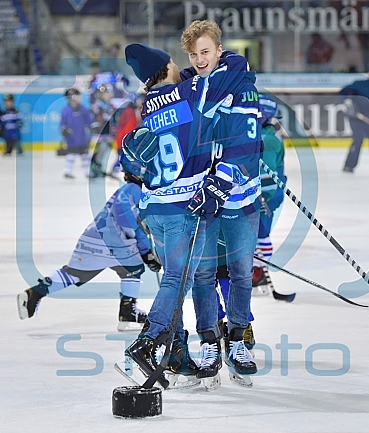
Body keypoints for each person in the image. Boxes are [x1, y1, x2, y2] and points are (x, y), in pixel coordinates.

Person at [121, 42, 251, 385]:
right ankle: (148, 341)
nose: (184, 65)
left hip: (153, 208)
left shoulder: (148, 105)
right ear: (166, 67)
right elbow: (234, 70)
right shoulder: (193, 90)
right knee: (178, 280)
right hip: (182, 207)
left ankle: (178, 355)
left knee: (171, 277)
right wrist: (224, 57)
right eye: (177, 62)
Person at [180, 20, 262, 382]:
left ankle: (238, 337)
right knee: (203, 272)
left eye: (205, 52)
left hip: (241, 198)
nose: (200, 59)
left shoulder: (241, 85)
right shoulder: (192, 88)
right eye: (194, 54)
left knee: (242, 272)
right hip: (203, 195)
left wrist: (222, 181)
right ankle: (209, 338)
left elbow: (244, 144)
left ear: (219, 49)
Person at [17, 154, 161, 331]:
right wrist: (146, 252)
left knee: (75, 274)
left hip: (92, 238)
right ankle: (127, 312)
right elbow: (128, 222)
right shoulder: (134, 191)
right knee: (134, 268)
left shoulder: (126, 189)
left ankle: (36, 292)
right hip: (113, 242)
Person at [252, 93, 285, 290]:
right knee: (256, 233)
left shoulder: (268, 138)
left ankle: (263, 272)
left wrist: (263, 197)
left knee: (261, 233)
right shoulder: (264, 134)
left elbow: (268, 176)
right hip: (265, 193)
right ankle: (259, 271)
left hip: (267, 195)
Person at [60, 88, 95, 178]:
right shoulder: (66, 110)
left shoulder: (82, 109)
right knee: (71, 155)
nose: (80, 98)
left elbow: (89, 120)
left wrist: (93, 125)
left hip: (82, 137)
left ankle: (87, 172)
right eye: (78, 96)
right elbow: (62, 124)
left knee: (84, 155)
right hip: (72, 138)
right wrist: (64, 130)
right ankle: (67, 171)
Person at [89, 84, 116, 177]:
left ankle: (99, 167)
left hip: (108, 133)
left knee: (105, 151)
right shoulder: (96, 106)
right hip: (98, 133)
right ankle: (93, 168)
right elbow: (95, 119)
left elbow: (113, 119)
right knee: (98, 151)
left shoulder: (111, 106)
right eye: (105, 93)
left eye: (108, 93)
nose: (107, 95)